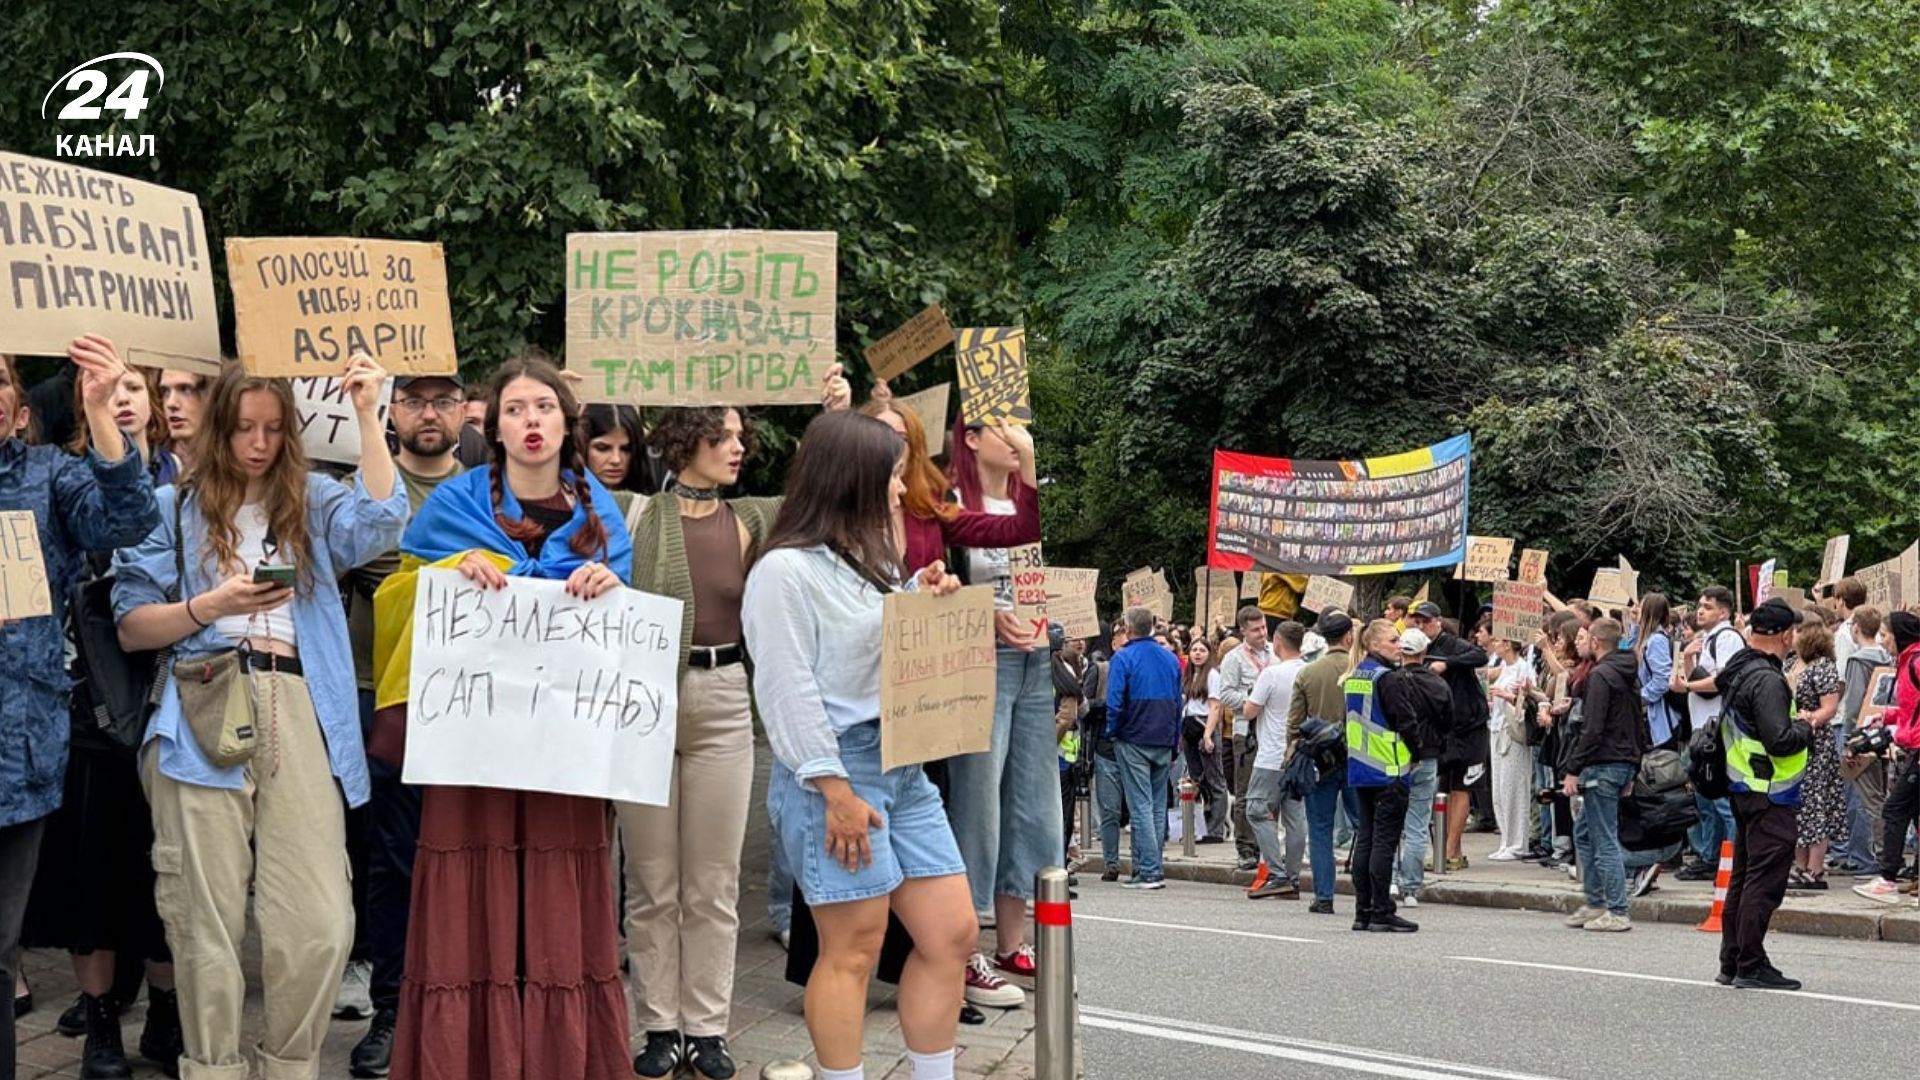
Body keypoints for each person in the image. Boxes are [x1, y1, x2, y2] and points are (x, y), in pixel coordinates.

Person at [113, 356, 403, 1079]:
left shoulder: (310, 497)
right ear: (219, 427)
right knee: (202, 914)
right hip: (201, 699)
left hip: (301, 702)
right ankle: (211, 1066)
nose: (259, 442)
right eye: (244, 427)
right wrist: (209, 607)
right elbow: (130, 625)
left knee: (320, 921)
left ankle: (290, 1065)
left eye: (275, 429)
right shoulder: (170, 508)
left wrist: (369, 412)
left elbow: (381, 521)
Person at [374, 356, 634, 1080]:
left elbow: (628, 624)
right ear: (492, 424)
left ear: (566, 424)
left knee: (557, 896)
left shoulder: (602, 513)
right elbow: (396, 599)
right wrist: (447, 574)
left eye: (545, 408)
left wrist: (610, 582)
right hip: (473, 744)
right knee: (471, 890)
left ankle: (561, 1060)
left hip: (561, 749)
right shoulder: (450, 506)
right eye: (517, 408)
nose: (531, 421)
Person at [619, 369, 850, 1078]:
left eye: (741, 436)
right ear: (686, 440)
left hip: (723, 700)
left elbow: (825, 493)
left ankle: (708, 1028)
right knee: (653, 880)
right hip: (641, 704)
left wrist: (835, 413)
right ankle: (660, 1025)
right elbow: (560, 486)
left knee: (713, 880)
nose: (737, 447)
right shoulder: (631, 512)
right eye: (722, 435)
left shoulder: (752, 518)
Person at [743, 410, 975, 1080]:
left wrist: (919, 596)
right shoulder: (783, 572)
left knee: (952, 933)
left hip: (901, 763)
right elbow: (788, 691)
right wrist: (833, 789)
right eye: (895, 478)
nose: (903, 493)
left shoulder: (868, 560)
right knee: (853, 948)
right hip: (836, 772)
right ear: (854, 481)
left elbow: (864, 648)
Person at [1, 339, 160, 1080]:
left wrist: (101, 413)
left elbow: (127, 520)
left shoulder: (48, 477)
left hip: (17, 756)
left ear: (20, 409)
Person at [336, 371, 468, 1078]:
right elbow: (353, 556)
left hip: (466, 700)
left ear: (465, 410)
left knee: (457, 853)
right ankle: (393, 1005)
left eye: (443, 400)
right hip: (376, 690)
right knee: (389, 857)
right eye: (413, 399)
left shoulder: (486, 490)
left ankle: (458, 1000)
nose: (428, 413)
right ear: (393, 410)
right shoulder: (366, 479)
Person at [942, 415, 1059, 981]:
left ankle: (1013, 941)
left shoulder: (1023, 499)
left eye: (1023, 427)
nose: (1018, 438)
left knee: (1033, 802)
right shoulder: (948, 501)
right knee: (979, 800)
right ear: (970, 438)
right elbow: (932, 582)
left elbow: (1036, 568)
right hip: (978, 659)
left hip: (1035, 658)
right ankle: (964, 945)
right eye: (1005, 428)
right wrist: (985, 615)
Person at [1714, 598, 1812, 989]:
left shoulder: (1739, 670)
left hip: (1743, 785)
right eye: (1794, 633)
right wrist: (1807, 727)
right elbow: (1780, 739)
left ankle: (1732, 959)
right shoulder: (1768, 679)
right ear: (1786, 634)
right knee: (1763, 880)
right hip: (1769, 788)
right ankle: (1751, 964)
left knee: (1742, 876)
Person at [1560, 619, 1645, 932]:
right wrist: (1633, 768)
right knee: (1585, 833)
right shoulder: (1627, 674)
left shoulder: (1600, 676)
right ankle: (1595, 901)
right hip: (1621, 761)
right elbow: (1638, 723)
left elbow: (1593, 728)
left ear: (1596, 642)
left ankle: (1617, 909)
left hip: (1602, 763)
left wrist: (1573, 768)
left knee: (1603, 836)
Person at [1349, 623, 1427, 933]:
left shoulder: (1356, 676)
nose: (1400, 645)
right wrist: (1417, 752)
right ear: (1376, 645)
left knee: (1365, 840)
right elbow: (1405, 720)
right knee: (1384, 842)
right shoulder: (1389, 678)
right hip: (1389, 769)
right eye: (1394, 640)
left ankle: (1362, 910)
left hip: (1360, 768)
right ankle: (1382, 909)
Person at [1105, 606, 1183, 890]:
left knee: (1141, 805)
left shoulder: (1123, 657)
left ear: (1127, 628)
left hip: (1133, 735)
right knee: (1156, 804)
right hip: (1162, 735)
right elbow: (1178, 702)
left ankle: (1148, 870)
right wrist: (1174, 740)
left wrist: (1113, 731)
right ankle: (1147, 866)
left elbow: (1114, 701)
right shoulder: (1171, 658)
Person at [1410, 601, 1489, 872]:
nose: (1421, 626)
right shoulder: (1418, 650)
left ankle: (1450, 850)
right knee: (1443, 787)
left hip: (1469, 725)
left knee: (1461, 786)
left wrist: (1448, 664)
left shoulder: (1452, 644)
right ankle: (1450, 847)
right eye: (1417, 622)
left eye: (1426, 621)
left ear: (1438, 622)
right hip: (1443, 727)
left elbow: (1480, 656)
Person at [1672, 586, 1744, 879]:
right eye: (1700, 605)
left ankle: (1731, 859)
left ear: (1724, 612)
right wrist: (1688, 660)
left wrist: (1687, 686)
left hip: (1717, 728)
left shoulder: (1727, 639)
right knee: (1704, 795)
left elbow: (1721, 680)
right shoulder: (1708, 639)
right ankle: (1710, 856)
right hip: (1703, 726)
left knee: (1720, 798)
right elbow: (1697, 677)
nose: (1700, 611)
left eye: (1708, 607)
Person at [1287, 609, 1355, 914]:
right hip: (1359, 758)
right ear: (1349, 636)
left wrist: (1291, 757)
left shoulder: (1308, 673)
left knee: (1320, 829)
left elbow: (1294, 723)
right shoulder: (1361, 671)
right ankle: (1373, 889)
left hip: (1319, 758)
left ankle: (1324, 895)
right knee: (1366, 826)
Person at [1855, 610, 1920, 904]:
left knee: (1894, 809)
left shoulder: (1916, 662)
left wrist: (1899, 730)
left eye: (1885, 634)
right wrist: (1886, 716)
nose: (1882, 641)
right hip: (1913, 745)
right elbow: (1911, 709)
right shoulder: (1908, 662)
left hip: (1917, 748)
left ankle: (1888, 878)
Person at [1240, 621, 1308, 899]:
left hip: (1271, 754)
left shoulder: (1271, 674)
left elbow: (1249, 711)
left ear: (1278, 643)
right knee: (1294, 816)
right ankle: (1292, 877)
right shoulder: (1308, 671)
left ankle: (1278, 873)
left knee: (1256, 809)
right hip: (1299, 752)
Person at [1211, 607, 1274, 872]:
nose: (1262, 634)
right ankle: (1246, 847)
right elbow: (1225, 695)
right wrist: (1252, 700)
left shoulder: (1275, 653)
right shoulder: (1234, 659)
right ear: (1243, 631)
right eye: (1256, 630)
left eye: (1263, 628)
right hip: (1246, 730)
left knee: (1271, 791)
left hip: (1272, 730)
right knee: (1246, 790)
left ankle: (1269, 844)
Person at [1788, 622, 1843, 890]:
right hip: (1795, 741)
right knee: (1799, 805)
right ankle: (1800, 866)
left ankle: (1815, 868)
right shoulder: (1795, 665)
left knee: (1816, 803)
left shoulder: (1823, 667)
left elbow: (1829, 708)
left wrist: (1809, 719)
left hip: (1815, 743)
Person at [1837, 606, 1892, 875]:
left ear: (1856, 627)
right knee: (1881, 796)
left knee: (1869, 800)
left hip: (1863, 737)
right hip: (1882, 734)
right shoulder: (1886, 657)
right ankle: (1883, 854)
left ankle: (1881, 858)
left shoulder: (1858, 660)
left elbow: (1854, 704)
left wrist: (1850, 739)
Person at [1485, 634, 1535, 861]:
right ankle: (1506, 839)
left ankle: (1517, 843)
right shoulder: (1503, 667)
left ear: (1507, 644)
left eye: (1499, 641)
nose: (1495, 645)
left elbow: (1529, 703)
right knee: (1500, 789)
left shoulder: (1524, 668)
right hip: (1496, 728)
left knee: (1514, 788)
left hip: (1513, 733)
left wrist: (1509, 697)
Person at [1179, 639, 1229, 844]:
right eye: (1194, 650)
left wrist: (1208, 735)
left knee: (1215, 779)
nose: (1197, 653)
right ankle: (1199, 826)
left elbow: (1215, 707)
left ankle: (1216, 829)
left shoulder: (1212, 675)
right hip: (1189, 727)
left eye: (1202, 650)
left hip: (1204, 727)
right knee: (1196, 779)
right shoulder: (1190, 676)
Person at [1636, 594, 1679, 748]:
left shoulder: (1656, 640)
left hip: (1662, 720)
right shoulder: (1647, 639)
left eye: (1639, 607)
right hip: (1654, 716)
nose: (1635, 610)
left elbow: (1662, 680)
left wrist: (1638, 698)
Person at [156, 370, 209, 476]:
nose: (170, 403)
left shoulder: (242, 464)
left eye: (186, 390)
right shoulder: (157, 467)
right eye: (166, 392)